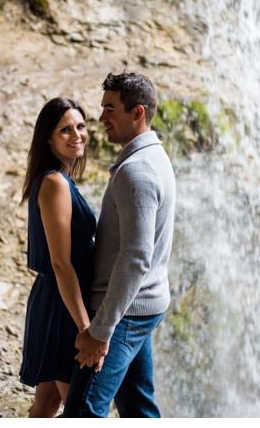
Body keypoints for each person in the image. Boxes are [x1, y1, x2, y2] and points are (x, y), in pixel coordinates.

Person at [63, 72, 175, 418]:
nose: (101, 119)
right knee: (139, 408)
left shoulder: (136, 171)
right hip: (144, 305)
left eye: (110, 109)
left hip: (126, 312)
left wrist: (100, 330)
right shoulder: (153, 156)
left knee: (82, 412)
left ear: (137, 113)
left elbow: (136, 257)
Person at [18, 97, 97, 417]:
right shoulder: (54, 183)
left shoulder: (60, 180)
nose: (76, 134)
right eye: (65, 129)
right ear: (48, 138)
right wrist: (86, 327)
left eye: (80, 126)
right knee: (82, 411)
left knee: (48, 402)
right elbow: (61, 263)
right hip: (63, 309)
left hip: (56, 301)